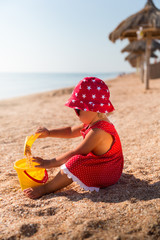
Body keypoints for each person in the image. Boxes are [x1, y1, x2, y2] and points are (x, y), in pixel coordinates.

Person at [24, 77, 124, 199]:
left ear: (94, 109)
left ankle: (46, 189)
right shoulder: (94, 121)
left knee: (75, 162)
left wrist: (48, 163)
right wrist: (49, 133)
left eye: (78, 110)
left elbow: (76, 153)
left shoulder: (98, 132)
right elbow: (70, 131)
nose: (75, 113)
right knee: (75, 159)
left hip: (109, 173)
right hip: (109, 166)